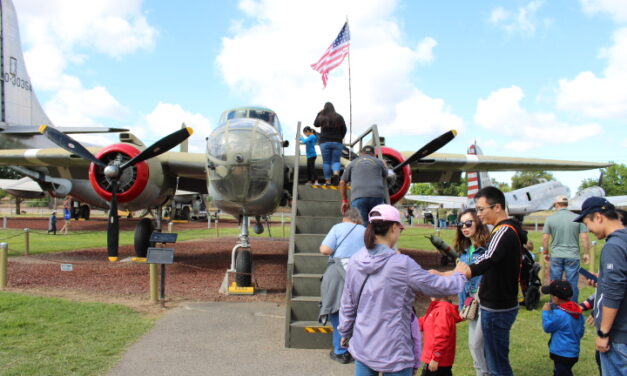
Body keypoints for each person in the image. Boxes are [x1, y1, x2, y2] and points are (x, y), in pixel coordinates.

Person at [338, 204, 470, 376]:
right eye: (400, 228)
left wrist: (345, 331)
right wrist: (460, 275)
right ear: (394, 227)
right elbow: (436, 286)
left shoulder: (356, 259)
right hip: (395, 349)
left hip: (363, 344)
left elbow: (348, 301)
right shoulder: (402, 264)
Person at [462, 186, 524, 376]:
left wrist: (464, 270)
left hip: (497, 308)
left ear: (497, 207)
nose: (478, 214)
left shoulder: (503, 231)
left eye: (481, 209)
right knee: (495, 359)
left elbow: (488, 258)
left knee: (497, 365)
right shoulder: (505, 230)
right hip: (500, 305)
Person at [574, 197, 627, 375]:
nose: (587, 229)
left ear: (598, 217)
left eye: (586, 222)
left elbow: (614, 293)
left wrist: (603, 333)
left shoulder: (614, 246)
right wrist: (603, 278)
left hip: (619, 335)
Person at [319, 208, 366, 364]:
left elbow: (325, 249)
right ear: (358, 219)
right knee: (359, 312)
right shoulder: (365, 231)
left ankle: (341, 351)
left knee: (336, 310)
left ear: (344, 218)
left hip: (337, 274)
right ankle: (356, 349)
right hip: (360, 275)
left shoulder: (338, 228)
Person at [453, 209, 490, 376]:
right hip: (470, 303)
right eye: (461, 224)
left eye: (468, 223)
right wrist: (462, 305)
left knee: (477, 344)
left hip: (486, 302)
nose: (464, 227)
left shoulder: (487, 249)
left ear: (478, 223)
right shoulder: (464, 252)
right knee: (473, 344)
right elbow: (460, 280)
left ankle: (485, 373)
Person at [542, 195, 590, 301]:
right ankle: (572, 308)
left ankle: (555, 307)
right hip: (573, 255)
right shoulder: (578, 218)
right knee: (572, 283)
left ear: (557, 204)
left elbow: (545, 238)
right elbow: (584, 237)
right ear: (566, 205)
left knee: (554, 283)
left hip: (556, 255)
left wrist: (545, 252)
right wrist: (586, 253)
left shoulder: (550, 219)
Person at [541, 280, 585, 376]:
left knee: (561, 372)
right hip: (573, 352)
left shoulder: (559, 314)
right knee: (562, 371)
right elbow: (581, 331)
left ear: (555, 298)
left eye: (551, 296)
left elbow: (547, 327)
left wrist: (546, 312)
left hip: (561, 353)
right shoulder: (577, 310)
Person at [339, 145, 387, 224]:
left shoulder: (352, 163)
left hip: (358, 197)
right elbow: (386, 174)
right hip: (376, 196)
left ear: (361, 153)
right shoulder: (379, 162)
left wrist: (345, 200)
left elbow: (342, 182)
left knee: (361, 224)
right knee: (377, 224)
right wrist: (385, 166)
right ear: (373, 154)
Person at [419, 297, 463, 376]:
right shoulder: (435, 306)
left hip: (438, 361)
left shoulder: (443, 310)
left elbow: (442, 336)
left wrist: (436, 358)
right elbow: (424, 321)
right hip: (434, 360)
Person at [313, 102, 347, 185]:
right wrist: (340, 137)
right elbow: (344, 129)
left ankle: (328, 181)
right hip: (337, 141)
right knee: (336, 161)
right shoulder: (339, 117)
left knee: (326, 162)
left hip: (325, 142)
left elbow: (315, 124)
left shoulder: (322, 116)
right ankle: (336, 174)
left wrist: (319, 113)